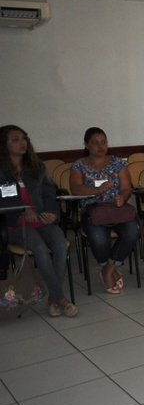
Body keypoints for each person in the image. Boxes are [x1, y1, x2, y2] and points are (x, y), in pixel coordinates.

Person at [0, 125, 77, 317]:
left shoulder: (36, 166)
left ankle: (53, 297)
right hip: (14, 222)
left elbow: (50, 192)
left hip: (42, 218)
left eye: (24, 138)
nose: (22, 142)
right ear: (3, 144)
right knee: (40, 248)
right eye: (15, 139)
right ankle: (60, 298)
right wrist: (22, 209)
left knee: (60, 245)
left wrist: (52, 213)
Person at [69, 127, 139, 294]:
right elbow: (76, 189)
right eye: (95, 143)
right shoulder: (79, 165)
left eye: (104, 142)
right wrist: (96, 190)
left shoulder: (118, 163)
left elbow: (127, 188)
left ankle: (107, 271)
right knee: (99, 238)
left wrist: (123, 197)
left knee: (132, 232)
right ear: (86, 145)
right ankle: (111, 269)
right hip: (93, 211)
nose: (100, 146)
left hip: (117, 209)